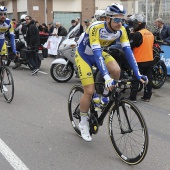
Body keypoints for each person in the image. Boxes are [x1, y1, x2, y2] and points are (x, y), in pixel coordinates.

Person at [75, 3, 148, 142]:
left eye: (122, 19)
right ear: (107, 19)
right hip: (84, 55)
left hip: (99, 53)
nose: (120, 23)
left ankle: (105, 98)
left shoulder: (122, 30)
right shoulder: (96, 28)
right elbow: (96, 54)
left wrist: (137, 73)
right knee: (89, 91)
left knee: (116, 70)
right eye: (116, 19)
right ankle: (83, 122)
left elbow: (128, 52)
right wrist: (106, 77)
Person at [128, 14, 154, 102]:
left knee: (135, 79)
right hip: (149, 59)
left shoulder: (138, 34)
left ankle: (133, 97)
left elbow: (129, 45)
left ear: (138, 24)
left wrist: (131, 35)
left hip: (139, 60)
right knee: (148, 79)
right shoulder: (150, 33)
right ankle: (147, 96)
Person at [0, 6, 17, 76]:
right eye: (0, 14)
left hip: (2, 41)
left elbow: (12, 37)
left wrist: (14, 49)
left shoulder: (9, 23)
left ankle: (2, 80)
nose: (3, 16)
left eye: (4, 14)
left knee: (3, 60)